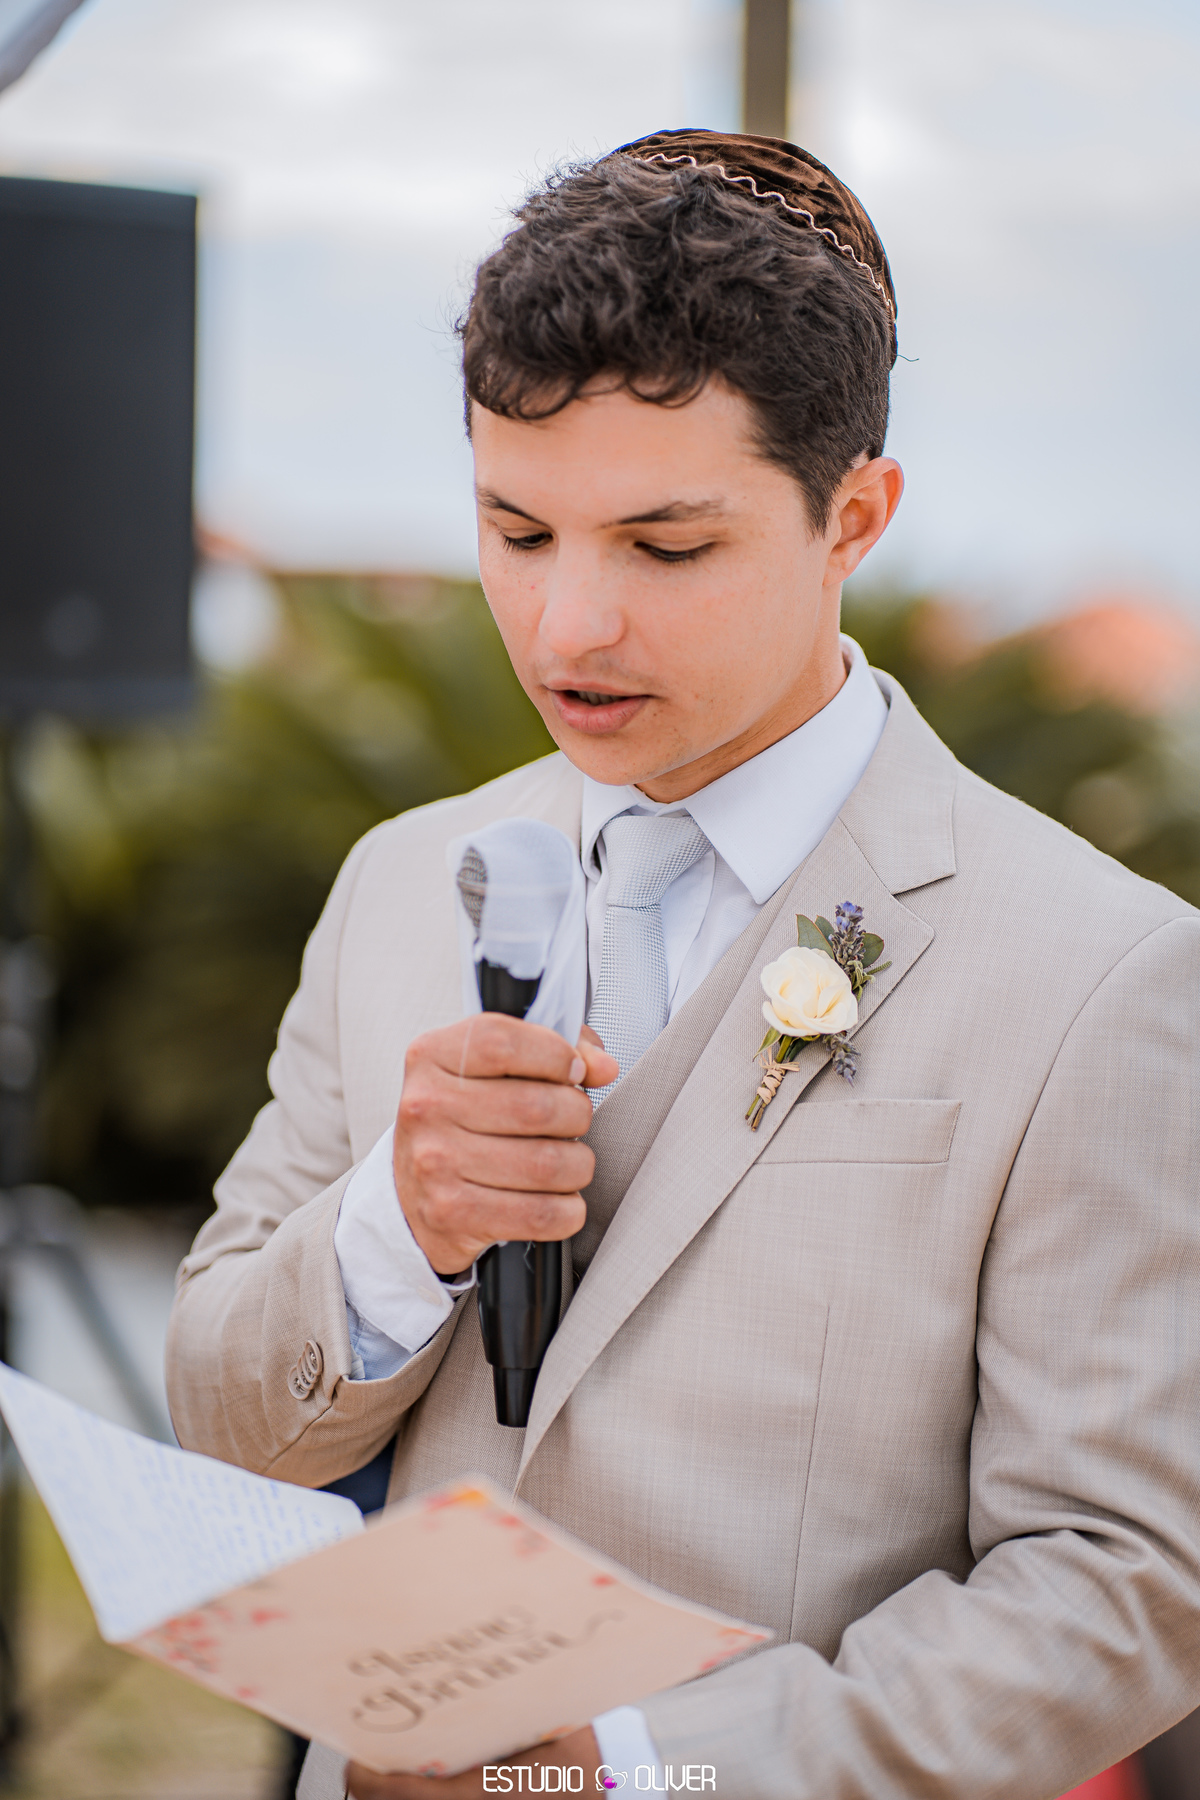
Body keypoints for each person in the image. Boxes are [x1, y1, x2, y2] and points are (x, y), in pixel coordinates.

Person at [165, 131, 1200, 1800]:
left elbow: (1124, 1582)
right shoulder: (395, 885)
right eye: (516, 531)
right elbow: (227, 1422)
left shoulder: (1109, 975)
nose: (571, 628)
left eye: (665, 548)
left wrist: (639, 1765)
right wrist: (391, 1232)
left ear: (853, 513)